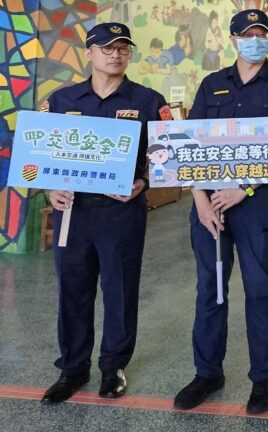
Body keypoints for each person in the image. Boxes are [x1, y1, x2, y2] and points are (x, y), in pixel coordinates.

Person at [173, 9, 268, 415]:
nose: (255, 40)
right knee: (210, 289)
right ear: (233, 40)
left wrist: (244, 187)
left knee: (259, 289)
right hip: (209, 206)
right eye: (247, 34)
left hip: (256, 206)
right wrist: (200, 199)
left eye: (261, 34)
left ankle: (263, 377)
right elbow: (189, 143)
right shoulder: (213, 84)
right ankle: (207, 372)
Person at [41, 22, 172, 404]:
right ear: (90, 52)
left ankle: (112, 365)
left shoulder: (149, 101)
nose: (115, 54)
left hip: (122, 212)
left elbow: (167, 155)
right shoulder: (62, 101)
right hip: (74, 212)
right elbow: (39, 156)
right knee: (73, 290)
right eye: (107, 47)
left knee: (119, 290)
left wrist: (144, 182)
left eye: (123, 48)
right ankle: (72, 367)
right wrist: (51, 188)